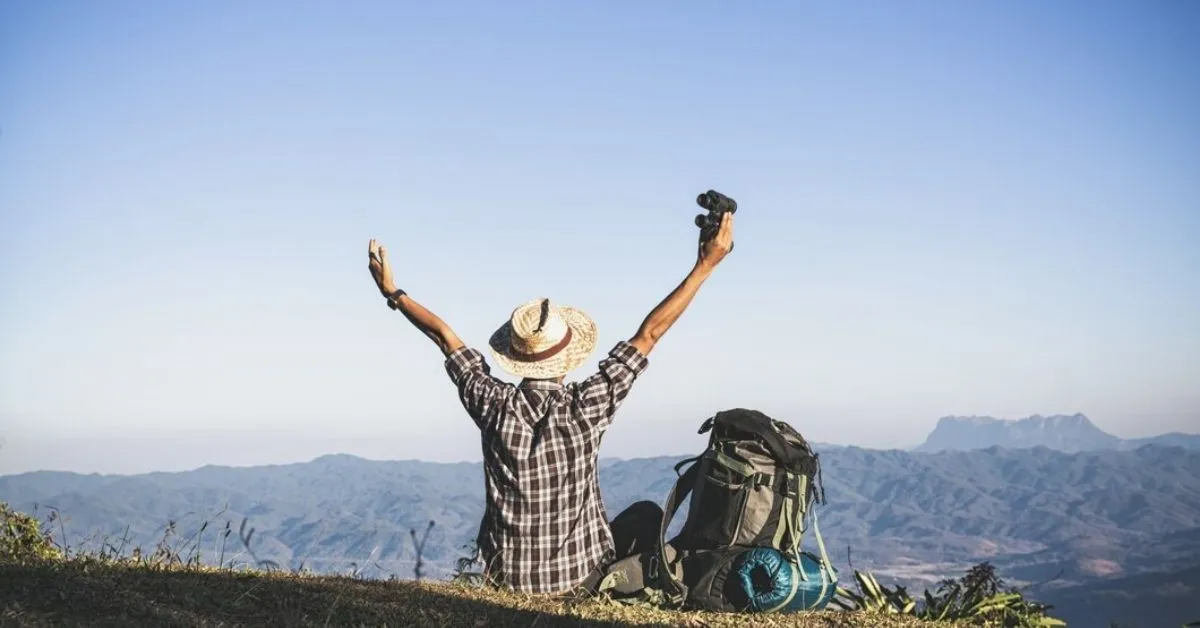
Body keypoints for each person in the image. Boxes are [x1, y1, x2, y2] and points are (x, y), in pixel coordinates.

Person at [366, 211, 735, 594]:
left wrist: (393, 293)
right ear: (568, 355)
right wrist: (705, 265)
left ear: (517, 355)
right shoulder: (587, 406)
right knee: (646, 516)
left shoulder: (491, 403)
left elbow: (444, 336)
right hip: (580, 580)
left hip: (506, 580)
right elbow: (650, 333)